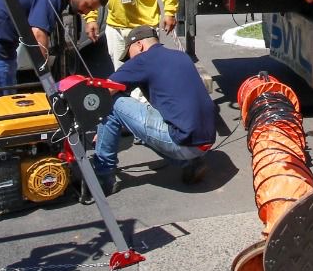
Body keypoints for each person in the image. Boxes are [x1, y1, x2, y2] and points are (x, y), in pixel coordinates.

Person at [82, 25, 216, 201]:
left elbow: (104, 92)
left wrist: (97, 122)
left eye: (129, 54)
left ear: (139, 45)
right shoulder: (181, 57)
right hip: (205, 140)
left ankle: (103, 176)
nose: (129, 60)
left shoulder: (143, 59)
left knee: (113, 104)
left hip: (181, 140)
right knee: (143, 120)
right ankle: (190, 162)